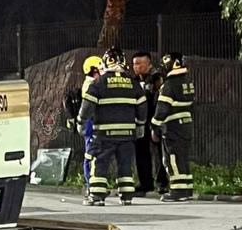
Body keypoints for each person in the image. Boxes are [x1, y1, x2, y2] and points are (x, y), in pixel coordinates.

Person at [76, 47, 147, 206]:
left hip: (103, 134)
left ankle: (97, 196)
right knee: (125, 164)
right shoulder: (133, 84)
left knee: (100, 163)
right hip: (127, 134)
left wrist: (80, 122)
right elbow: (142, 106)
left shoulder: (98, 83)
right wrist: (140, 125)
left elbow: (87, 106)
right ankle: (127, 196)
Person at [152, 52, 195, 202]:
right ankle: (187, 188)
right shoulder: (187, 82)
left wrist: (154, 126)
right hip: (186, 125)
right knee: (183, 157)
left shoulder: (169, 86)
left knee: (173, 158)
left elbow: (162, 109)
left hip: (173, 127)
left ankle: (177, 191)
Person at [64, 55, 102, 203]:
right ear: (94, 69)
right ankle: (91, 184)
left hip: (92, 125)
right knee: (91, 155)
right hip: (91, 125)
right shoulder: (91, 85)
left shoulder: (93, 84)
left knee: (93, 155)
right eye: (100, 67)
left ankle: (94, 185)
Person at [132, 51, 168, 195]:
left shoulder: (157, 79)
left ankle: (162, 183)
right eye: (135, 64)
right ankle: (145, 183)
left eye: (141, 63)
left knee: (160, 153)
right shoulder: (133, 81)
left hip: (155, 120)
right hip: (139, 122)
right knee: (141, 152)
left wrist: (156, 123)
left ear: (149, 64)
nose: (137, 67)